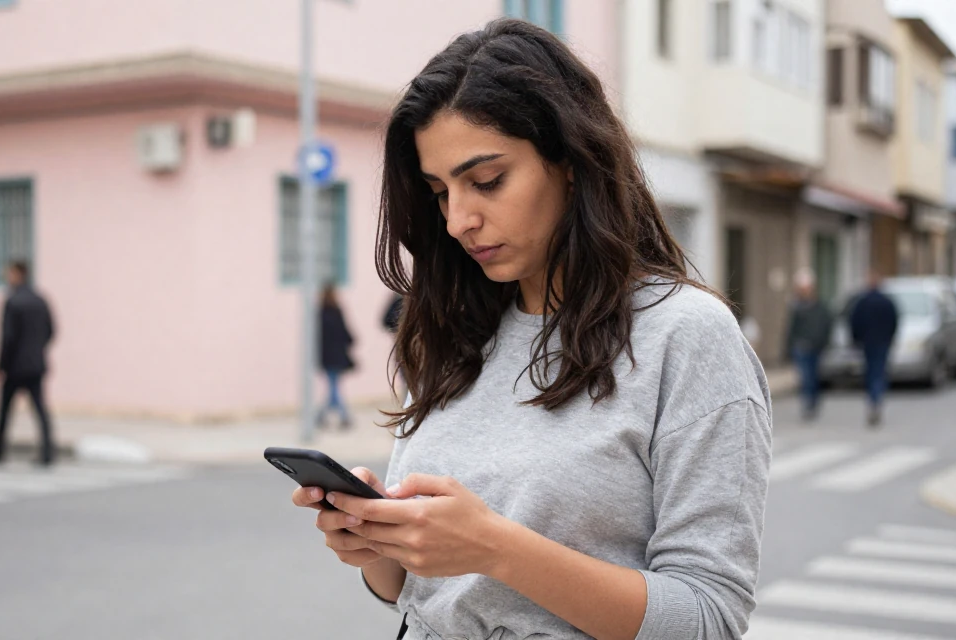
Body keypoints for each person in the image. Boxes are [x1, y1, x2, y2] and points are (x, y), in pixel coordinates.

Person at [288, 19, 771, 640]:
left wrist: (495, 548)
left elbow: (708, 617)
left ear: (570, 161)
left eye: (487, 181)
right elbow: (419, 594)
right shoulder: (452, 330)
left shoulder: (686, 336)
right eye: (440, 192)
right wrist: (379, 544)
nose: (459, 220)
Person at [0, 260, 57, 465]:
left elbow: (7, 338)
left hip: (15, 366)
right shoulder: (41, 300)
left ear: (17, 274)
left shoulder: (12, 301)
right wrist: (37, 349)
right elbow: (51, 331)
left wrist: (1, 365)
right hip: (36, 363)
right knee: (40, 410)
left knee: (5, 410)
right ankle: (48, 452)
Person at [850, 271, 899, 427]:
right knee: (879, 371)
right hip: (882, 342)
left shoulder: (862, 302)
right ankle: (876, 399)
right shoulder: (886, 301)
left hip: (868, 343)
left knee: (871, 371)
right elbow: (894, 321)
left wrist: (856, 339)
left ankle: (873, 399)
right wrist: (890, 338)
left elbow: (854, 321)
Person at [783, 271, 833, 422]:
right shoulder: (797, 307)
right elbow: (791, 329)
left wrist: (823, 342)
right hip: (801, 347)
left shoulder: (820, 307)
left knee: (814, 375)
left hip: (816, 347)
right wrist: (787, 347)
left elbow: (827, 325)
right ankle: (807, 403)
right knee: (805, 377)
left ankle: (813, 401)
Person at [319, 284, 355, 429]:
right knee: (333, 387)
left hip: (327, 356)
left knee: (333, 386)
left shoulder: (321, 313)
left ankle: (321, 416)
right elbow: (345, 333)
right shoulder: (335, 312)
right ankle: (341, 415)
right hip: (337, 355)